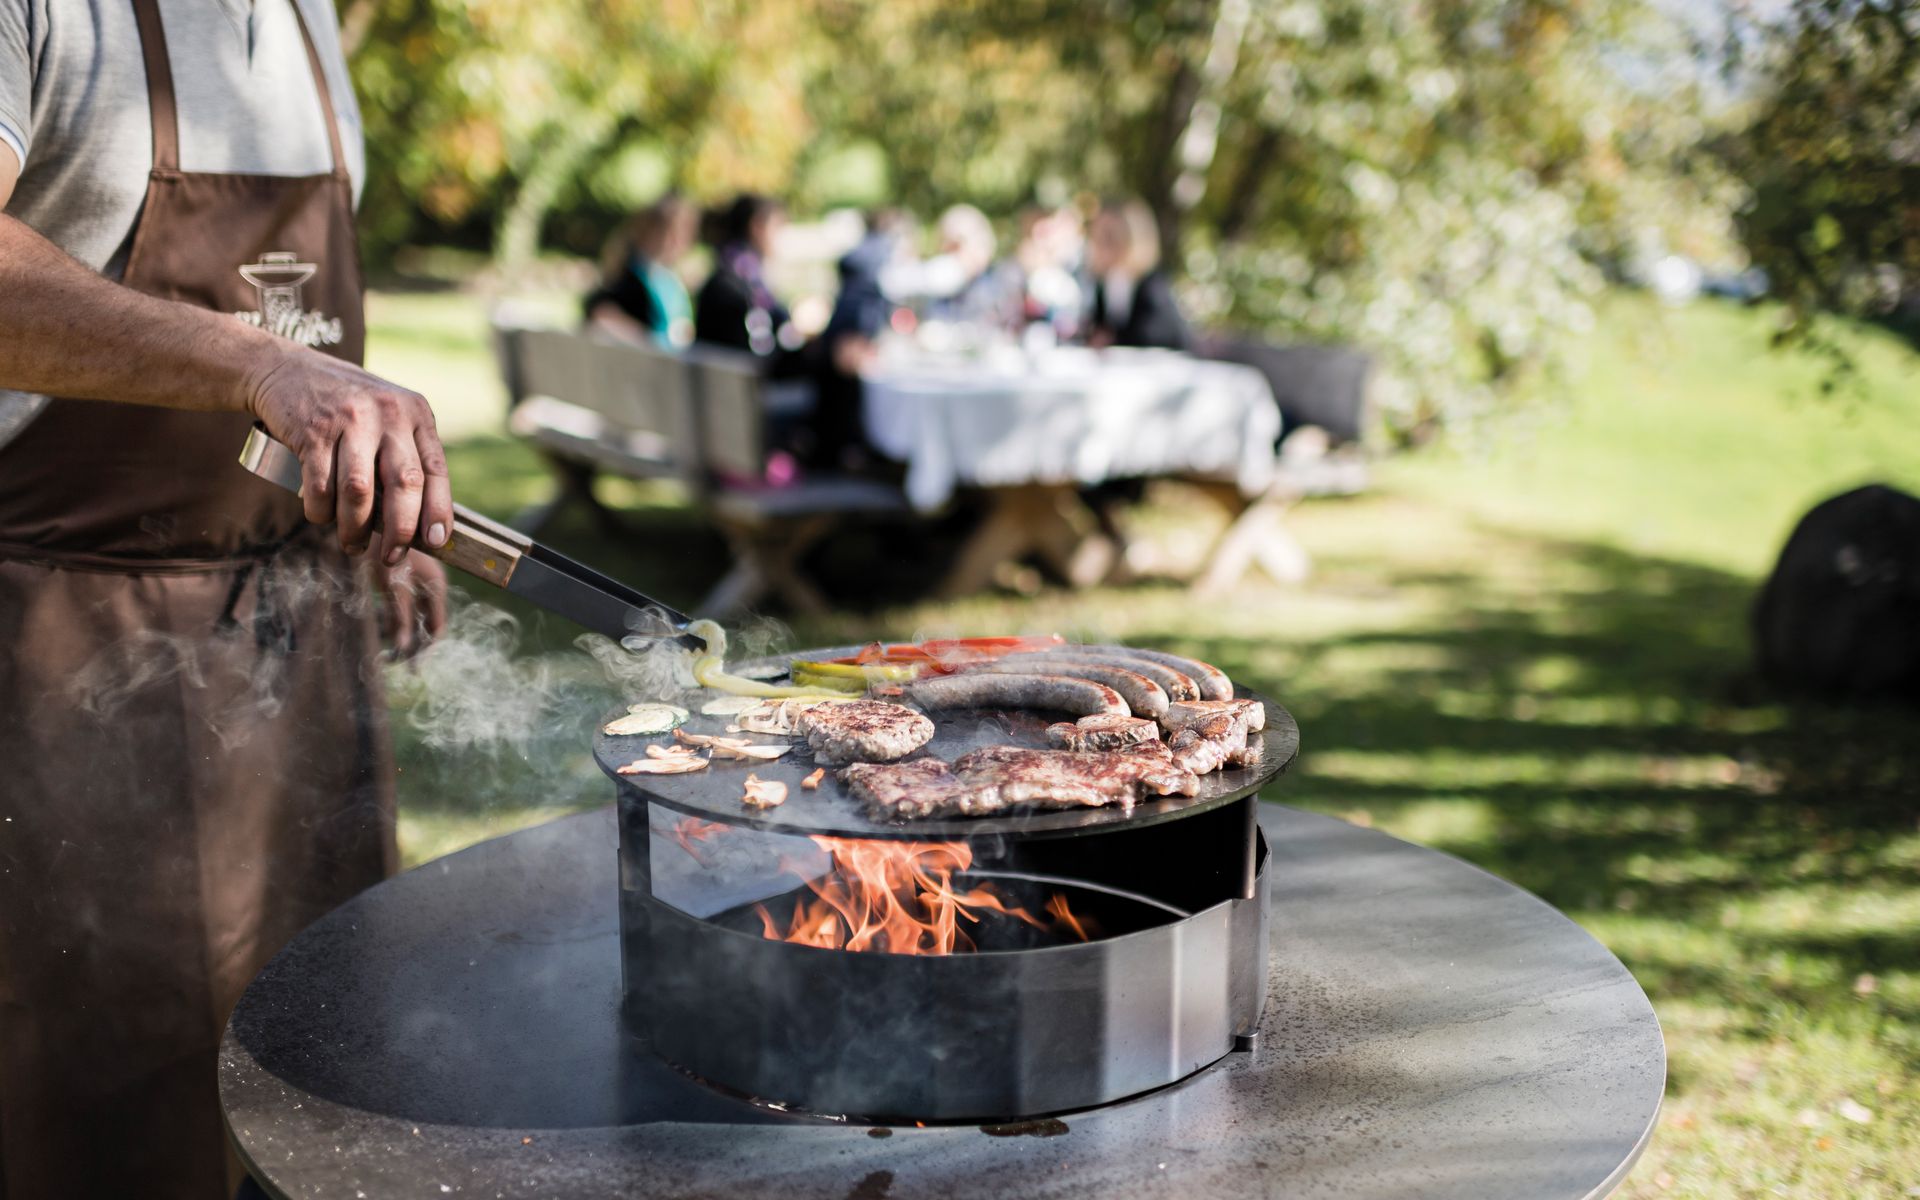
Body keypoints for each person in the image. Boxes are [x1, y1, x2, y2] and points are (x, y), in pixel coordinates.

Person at [0, 2, 452, 1196]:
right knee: (102, 1120)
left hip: (302, 656)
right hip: (64, 654)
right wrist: (261, 365)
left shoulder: (307, 17)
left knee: (327, 1085)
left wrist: (373, 485)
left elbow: (314, 310)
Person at [694, 193, 806, 364]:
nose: (783, 236)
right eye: (779, 226)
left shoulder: (744, 278)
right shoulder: (735, 288)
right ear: (757, 227)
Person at [583, 193, 698, 347]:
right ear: (649, 232)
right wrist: (647, 339)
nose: (678, 242)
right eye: (672, 233)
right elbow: (600, 314)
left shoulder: (670, 279)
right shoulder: (629, 276)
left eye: (684, 235)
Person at [1084, 199, 1190, 350]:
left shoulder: (1152, 283)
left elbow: (1156, 335)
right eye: (1098, 236)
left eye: (1110, 237)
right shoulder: (1104, 282)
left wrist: (1113, 339)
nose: (1102, 245)